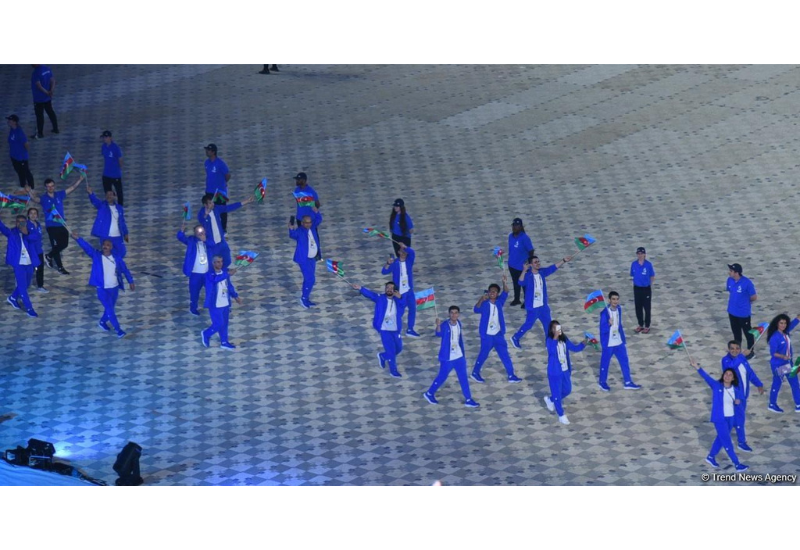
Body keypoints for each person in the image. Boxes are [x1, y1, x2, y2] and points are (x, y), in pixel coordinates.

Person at [71, 230, 135, 338]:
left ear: (111, 247)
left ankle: (102, 322)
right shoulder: (96, 255)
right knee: (110, 310)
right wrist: (78, 238)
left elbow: (125, 269)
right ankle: (118, 330)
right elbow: (87, 247)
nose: (105, 246)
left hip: (114, 288)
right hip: (102, 288)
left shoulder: (117, 258)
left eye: (108, 245)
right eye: (104, 244)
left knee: (110, 308)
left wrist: (131, 281)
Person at [690, 358, 749, 472]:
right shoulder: (716, 386)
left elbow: (741, 400)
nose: (727, 376)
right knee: (727, 441)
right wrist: (697, 367)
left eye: (730, 375)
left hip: (731, 418)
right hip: (719, 418)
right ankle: (737, 464)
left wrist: (738, 402)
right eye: (726, 374)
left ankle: (710, 457)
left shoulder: (736, 389)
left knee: (721, 438)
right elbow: (706, 377)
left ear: (733, 378)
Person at [26, 175, 84, 275]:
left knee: (64, 244)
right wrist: (29, 191)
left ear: (54, 186)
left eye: (52, 186)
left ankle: (49, 256)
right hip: (51, 226)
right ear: (45, 187)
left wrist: (79, 179)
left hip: (62, 224)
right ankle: (60, 267)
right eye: (48, 186)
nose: (50, 188)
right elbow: (35, 199)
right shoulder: (44, 198)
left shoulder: (59, 195)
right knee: (55, 245)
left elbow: (72, 188)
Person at [510, 254, 571, 350]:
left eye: (538, 261)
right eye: (535, 262)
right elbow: (520, 282)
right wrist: (524, 270)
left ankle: (549, 344)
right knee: (528, 325)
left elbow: (552, 268)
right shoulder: (528, 275)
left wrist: (563, 260)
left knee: (548, 325)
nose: (538, 263)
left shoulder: (542, 272)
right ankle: (515, 337)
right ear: (530, 265)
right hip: (533, 307)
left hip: (543, 306)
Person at [423, 306, 480, 407]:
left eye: (456, 313)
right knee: (442, 377)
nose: (454, 315)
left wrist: (462, 353)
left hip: (459, 356)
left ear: (458, 314)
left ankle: (468, 399)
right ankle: (429, 393)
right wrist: (438, 325)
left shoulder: (459, 323)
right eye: (452, 313)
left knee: (463, 378)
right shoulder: (445, 325)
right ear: (449, 314)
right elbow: (438, 334)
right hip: (447, 358)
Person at [471, 274, 520, 383]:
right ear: (488, 292)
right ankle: (475, 372)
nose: (492, 293)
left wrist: (504, 282)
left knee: (504, 355)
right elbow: (475, 309)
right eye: (490, 291)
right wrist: (481, 299)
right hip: (487, 335)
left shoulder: (499, 302)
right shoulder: (484, 304)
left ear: (497, 294)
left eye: (494, 291)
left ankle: (511, 375)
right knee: (483, 354)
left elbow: (506, 292)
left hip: (498, 334)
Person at [351, 281, 405, 378]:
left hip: (395, 329)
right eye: (387, 288)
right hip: (384, 329)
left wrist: (400, 298)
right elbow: (371, 295)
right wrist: (360, 288)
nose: (389, 290)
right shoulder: (380, 298)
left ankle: (383, 356)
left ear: (395, 290)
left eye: (391, 288)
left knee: (398, 348)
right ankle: (393, 371)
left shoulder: (397, 300)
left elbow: (403, 307)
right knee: (391, 350)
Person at [721, 340, 764, 451]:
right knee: (740, 418)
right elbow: (730, 368)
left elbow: (750, 373)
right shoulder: (726, 360)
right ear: (728, 349)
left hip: (744, 395)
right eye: (732, 349)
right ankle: (741, 441)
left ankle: (726, 432)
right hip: (735, 396)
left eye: (737, 348)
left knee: (736, 417)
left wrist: (759, 384)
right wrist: (742, 356)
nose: (735, 351)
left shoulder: (742, 359)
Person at [543, 320, 587, 425]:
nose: (557, 330)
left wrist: (584, 343)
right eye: (554, 328)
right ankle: (561, 415)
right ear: (551, 330)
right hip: (554, 372)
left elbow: (574, 348)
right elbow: (552, 351)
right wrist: (555, 337)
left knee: (567, 390)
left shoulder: (564, 339)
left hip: (565, 370)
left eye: (558, 327)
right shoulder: (549, 340)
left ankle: (550, 400)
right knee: (557, 393)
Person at [197, 192, 254, 269]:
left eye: (213, 202)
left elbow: (229, 208)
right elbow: (201, 220)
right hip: (211, 243)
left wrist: (246, 201)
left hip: (221, 241)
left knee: (227, 260)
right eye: (210, 203)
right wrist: (206, 215)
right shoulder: (201, 213)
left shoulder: (216, 208)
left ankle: (223, 272)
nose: (213, 204)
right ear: (205, 205)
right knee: (213, 263)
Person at [598, 291, 641, 391]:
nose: (615, 301)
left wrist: (622, 338)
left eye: (617, 299)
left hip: (618, 342)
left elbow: (619, 324)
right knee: (605, 363)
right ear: (609, 300)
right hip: (608, 343)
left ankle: (628, 382)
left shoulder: (619, 309)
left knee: (624, 361)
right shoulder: (604, 313)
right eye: (613, 299)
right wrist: (608, 324)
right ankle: (602, 382)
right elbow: (602, 329)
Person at [0, 212, 40, 317]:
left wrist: (26, 233)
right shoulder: (12, 233)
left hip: (29, 263)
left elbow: (35, 238)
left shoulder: (30, 231)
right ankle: (29, 308)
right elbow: (3, 228)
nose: (20, 224)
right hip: (18, 264)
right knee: (22, 287)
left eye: (23, 222)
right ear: (16, 223)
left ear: (26, 222)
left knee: (26, 284)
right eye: (18, 222)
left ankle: (13, 298)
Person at [200, 255, 241, 350]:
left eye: (221, 261)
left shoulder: (224, 273)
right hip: (215, 304)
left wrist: (235, 296)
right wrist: (228, 274)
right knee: (218, 323)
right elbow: (215, 280)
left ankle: (224, 342)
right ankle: (206, 333)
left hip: (225, 303)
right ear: (213, 263)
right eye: (218, 262)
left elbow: (229, 286)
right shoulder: (209, 274)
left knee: (224, 324)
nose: (220, 264)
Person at [381, 242, 420, 337]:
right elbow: (384, 272)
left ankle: (410, 329)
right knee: (399, 312)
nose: (403, 253)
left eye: (405, 252)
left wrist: (405, 247)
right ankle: (393, 329)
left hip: (409, 291)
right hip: (399, 293)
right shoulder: (395, 263)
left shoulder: (409, 261)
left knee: (412, 309)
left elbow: (412, 252)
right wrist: (387, 263)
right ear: (398, 252)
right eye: (402, 251)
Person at [766, 313, 800, 413]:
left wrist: (798, 318)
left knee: (792, 383)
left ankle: (797, 404)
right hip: (780, 365)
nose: (783, 325)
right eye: (781, 323)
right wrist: (783, 356)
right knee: (781, 383)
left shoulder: (785, 332)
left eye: (785, 323)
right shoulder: (774, 337)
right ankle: (773, 404)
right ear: (777, 324)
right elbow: (773, 353)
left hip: (788, 363)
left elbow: (794, 323)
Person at [289, 209, 323, 309]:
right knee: (310, 279)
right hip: (304, 259)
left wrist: (316, 212)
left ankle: (306, 297)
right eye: (306, 223)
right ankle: (304, 299)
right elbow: (292, 235)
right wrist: (291, 229)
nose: (308, 224)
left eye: (310, 222)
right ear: (302, 223)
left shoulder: (313, 227)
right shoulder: (300, 231)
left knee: (310, 279)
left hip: (312, 259)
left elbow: (319, 219)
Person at [87, 182, 128, 258]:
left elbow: (122, 221)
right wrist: (91, 193)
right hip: (105, 235)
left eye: (110, 194)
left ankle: (115, 263)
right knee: (107, 253)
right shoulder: (102, 205)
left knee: (122, 252)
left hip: (117, 236)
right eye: (107, 195)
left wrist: (126, 233)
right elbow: (95, 201)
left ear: (114, 196)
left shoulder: (119, 208)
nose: (109, 196)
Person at [177, 221, 210, 316]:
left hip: (208, 273)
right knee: (194, 292)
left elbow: (215, 247)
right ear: (195, 234)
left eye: (202, 232)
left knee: (211, 290)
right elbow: (181, 238)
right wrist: (181, 231)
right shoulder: (191, 241)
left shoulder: (209, 240)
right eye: (198, 232)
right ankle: (193, 308)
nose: (201, 234)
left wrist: (205, 241)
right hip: (195, 273)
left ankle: (214, 306)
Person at [726, 263, 757, 359]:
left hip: (743, 313)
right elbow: (731, 291)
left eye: (731, 271)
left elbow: (754, 297)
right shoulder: (729, 280)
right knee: (736, 333)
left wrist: (745, 302)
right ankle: (736, 351)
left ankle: (750, 351)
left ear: (737, 273)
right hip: (732, 311)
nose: (729, 272)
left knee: (748, 333)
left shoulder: (747, 283)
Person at [292, 173, 321, 258]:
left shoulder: (311, 191)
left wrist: (313, 210)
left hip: (310, 219)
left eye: (298, 180)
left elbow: (317, 203)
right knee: (302, 236)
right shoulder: (296, 190)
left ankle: (316, 254)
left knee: (313, 236)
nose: (297, 181)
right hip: (300, 218)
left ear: (304, 180)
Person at [203, 144, 231, 231]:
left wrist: (222, 183)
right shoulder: (206, 163)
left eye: (208, 150)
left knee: (222, 210)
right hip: (209, 190)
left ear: (213, 152)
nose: (206, 152)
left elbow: (227, 175)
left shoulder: (220, 163)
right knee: (209, 208)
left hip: (220, 192)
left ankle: (223, 228)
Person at [507, 218, 534, 307]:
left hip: (522, 267)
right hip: (512, 265)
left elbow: (531, 250)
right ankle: (516, 299)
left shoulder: (524, 238)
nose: (515, 227)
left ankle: (527, 301)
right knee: (515, 283)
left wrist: (529, 262)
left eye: (517, 226)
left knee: (524, 284)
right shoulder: (510, 236)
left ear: (521, 227)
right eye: (514, 225)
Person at [630, 246, 655, 333]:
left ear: (644, 254)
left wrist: (648, 285)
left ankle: (647, 326)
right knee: (638, 307)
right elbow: (632, 275)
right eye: (638, 253)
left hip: (646, 289)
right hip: (637, 289)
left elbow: (652, 276)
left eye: (641, 253)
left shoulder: (648, 265)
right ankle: (640, 324)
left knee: (647, 308)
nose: (640, 255)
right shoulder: (634, 264)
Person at [30, 65, 59, 139]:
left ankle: (40, 133)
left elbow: (38, 86)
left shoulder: (36, 72)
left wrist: (47, 92)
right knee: (50, 112)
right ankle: (56, 128)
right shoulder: (47, 68)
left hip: (39, 98)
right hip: (47, 98)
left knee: (39, 116)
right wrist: (51, 91)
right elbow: (53, 80)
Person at [7, 115, 34, 188]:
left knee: (26, 172)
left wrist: (24, 152)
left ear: (14, 122)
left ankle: (32, 187)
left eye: (10, 120)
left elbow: (26, 144)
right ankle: (23, 186)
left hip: (21, 157)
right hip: (14, 156)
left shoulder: (19, 132)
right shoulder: (12, 130)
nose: (8, 121)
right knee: (20, 172)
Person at [100, 131, 124, 206]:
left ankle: (120, 207)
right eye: (104, 137)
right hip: (106, 174)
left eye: (106, 137)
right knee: (108, 192)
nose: (104, 139)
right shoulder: (103, 147)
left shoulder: (116, 148)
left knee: (119, 192)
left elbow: (120, 160)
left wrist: (119, 169)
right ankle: (110, 206)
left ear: (110, 138)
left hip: (115, 174)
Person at [26, 208, 47, 293]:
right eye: (31, 213)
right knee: (30, 269)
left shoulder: (38, 224)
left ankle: (40, 286)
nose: (33, 215)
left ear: (37, 215)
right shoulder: (26, 224)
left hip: (39, 250)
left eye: (35, 213)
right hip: (31, 251)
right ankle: (23, 286)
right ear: (28, 215)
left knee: (40, 268)